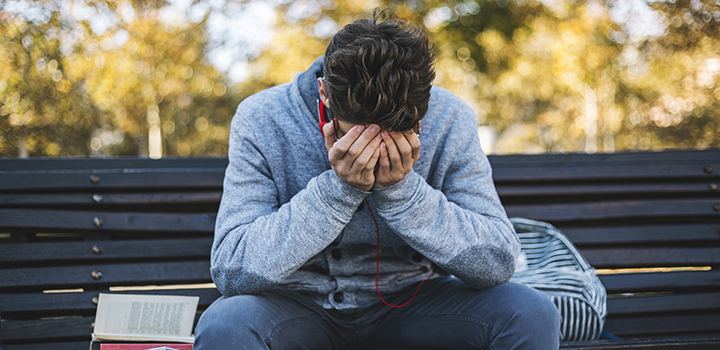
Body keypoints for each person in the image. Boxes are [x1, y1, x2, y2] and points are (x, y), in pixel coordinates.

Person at [194, 9, 561, 350]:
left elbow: (497, 261)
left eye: (398, 133)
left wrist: (404, 194)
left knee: (530, 312)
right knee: (226, 324)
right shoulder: (262, 119)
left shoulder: (450, 119)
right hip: (296, 307)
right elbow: (232, 269)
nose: (376, 149)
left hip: (414, 301)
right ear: (325, 93)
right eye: (361, 136)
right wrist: (337, 192)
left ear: (424, 109)